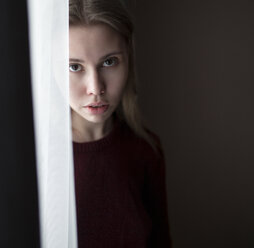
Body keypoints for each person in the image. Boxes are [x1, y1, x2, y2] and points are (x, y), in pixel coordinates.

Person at [69, 0, 172, 247]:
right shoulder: (36, 161)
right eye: (74, 66)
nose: (96, 88)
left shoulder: (145, 149)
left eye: (109, 62)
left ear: (129, 59)